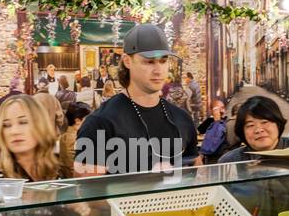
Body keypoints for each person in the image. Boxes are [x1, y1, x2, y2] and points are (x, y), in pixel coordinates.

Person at [75, 24, 199, 174]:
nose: (158, 70)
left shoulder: (182, 119)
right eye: (149, 61)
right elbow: (89, 192)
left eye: (163, 61)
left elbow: (196, 176)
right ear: (127, 61)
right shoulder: (100, 123)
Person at [218, 96, 289, 163]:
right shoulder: (230, 161)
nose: (258, 130)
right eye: (251, 125)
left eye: (264, 122)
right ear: (242, 131)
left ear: (278, 124)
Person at [59, 102, 92, 175]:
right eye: (88, 118)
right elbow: (73, 166)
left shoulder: (64, 136)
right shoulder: (77, 138)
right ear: (77, 121)